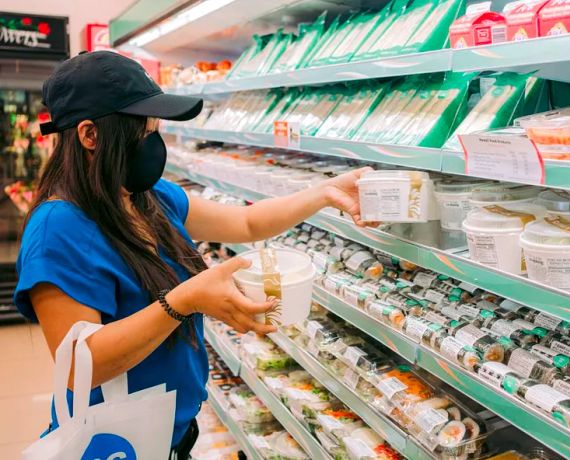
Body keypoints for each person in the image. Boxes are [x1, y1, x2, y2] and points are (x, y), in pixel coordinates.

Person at [14, 51, 372, 459]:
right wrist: (184, 299)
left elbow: (246, 225)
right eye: (142, 129)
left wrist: (325, 193)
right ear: (89, 135)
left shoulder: (149, 198)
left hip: (170, 435)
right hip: (112, 444)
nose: (153, 140)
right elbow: (82, 366)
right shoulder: (59, 227)